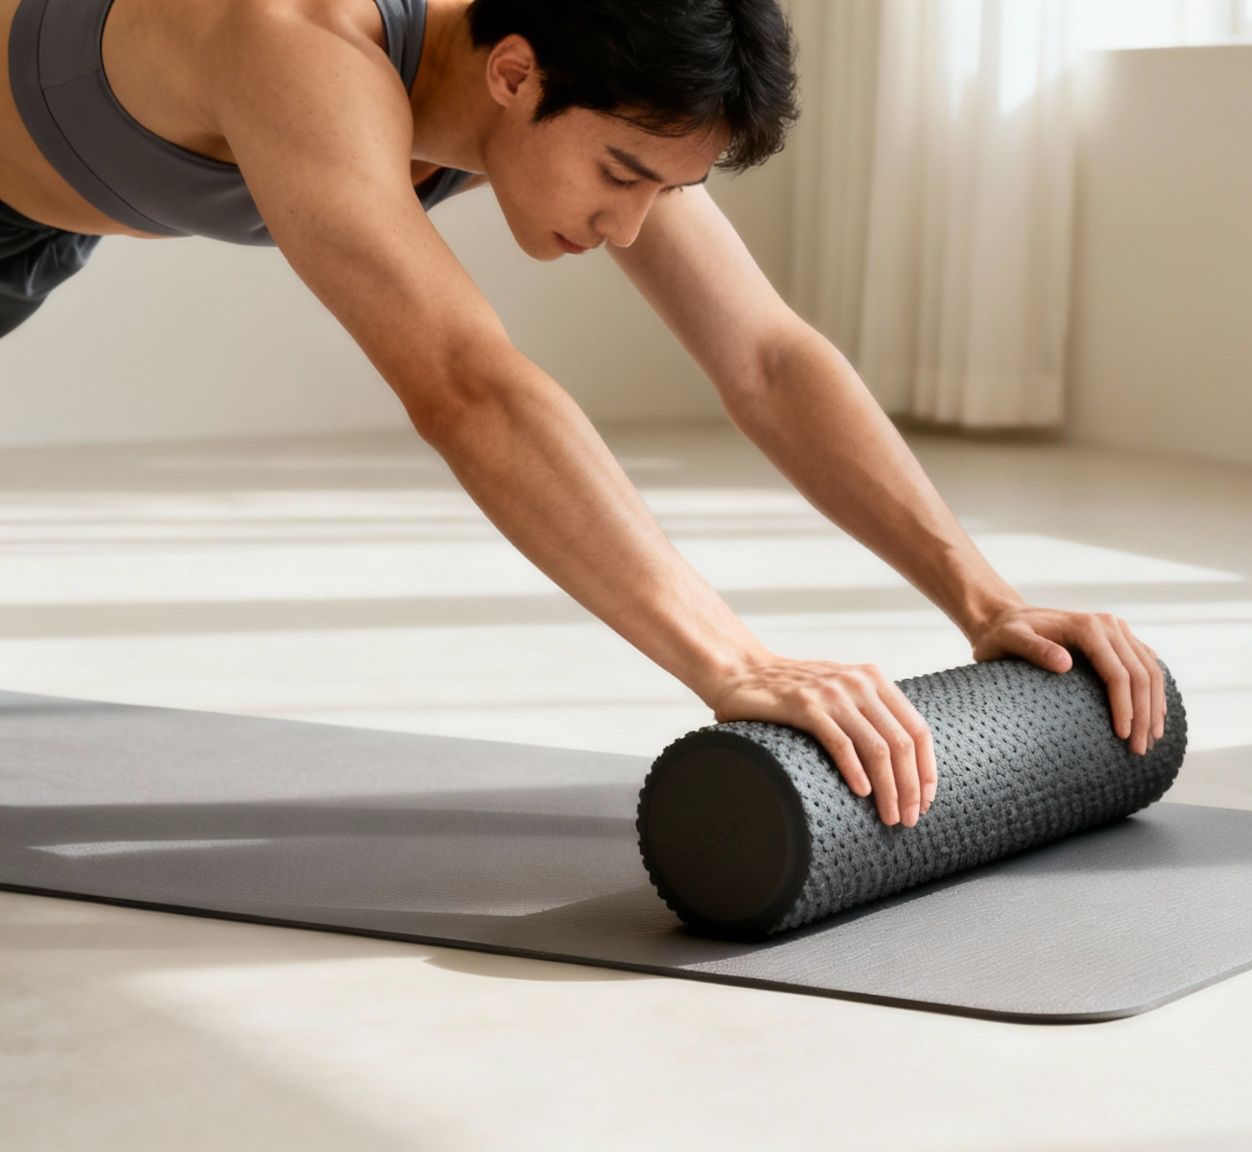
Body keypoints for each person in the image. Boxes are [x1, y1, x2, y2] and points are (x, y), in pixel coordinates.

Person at [0, 0, 1168, 829]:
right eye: (619, 175)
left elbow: (763, 354)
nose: (630, 225)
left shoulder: (573, 68)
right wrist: (737, 663)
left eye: (666, 190)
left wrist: (986, 599)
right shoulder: (295, 38)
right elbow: (465, 383)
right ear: (512, 73)